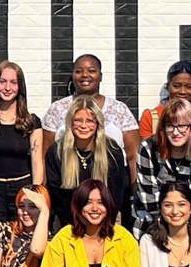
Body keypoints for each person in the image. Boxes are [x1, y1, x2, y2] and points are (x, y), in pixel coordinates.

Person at [41, 54, 140, 179]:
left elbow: (133, 156)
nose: (85, 75)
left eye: (92, 71)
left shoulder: (119, 110)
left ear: (100, 76)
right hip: (66, 184)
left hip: (112, 184)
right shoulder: (57, 109)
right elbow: (45, 155)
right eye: (78, 71)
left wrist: (135, 189)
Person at [45, 96, 129, 228]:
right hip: (69, 223)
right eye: (78, 120)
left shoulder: (112, 151)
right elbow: (59, 198)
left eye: (90, 121)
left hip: (104, 223)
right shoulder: (56, 152)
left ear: (98, 124)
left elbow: (116, 195)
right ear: (70, 122)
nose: (84, 126)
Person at [134, 100, 191, 232]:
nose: (176, 132)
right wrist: (169, 231)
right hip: (155, 223)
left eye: (182, 126)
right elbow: (149, 199)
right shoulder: (148, 149)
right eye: (170, 126)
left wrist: (185, 234)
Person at [0, 60, 44, 226]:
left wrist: (35, 194)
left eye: (13, 82)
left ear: (20, 87)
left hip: (22, 189)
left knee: (21, 241)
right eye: (2, 82)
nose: (7, 88)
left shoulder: (31, 121)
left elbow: (37, 162)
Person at [137, 60, 191, 141]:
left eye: (189, 87)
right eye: (176, 86)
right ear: (168, 87)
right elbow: (147, 150)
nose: (182, 91)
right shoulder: (150, 117)